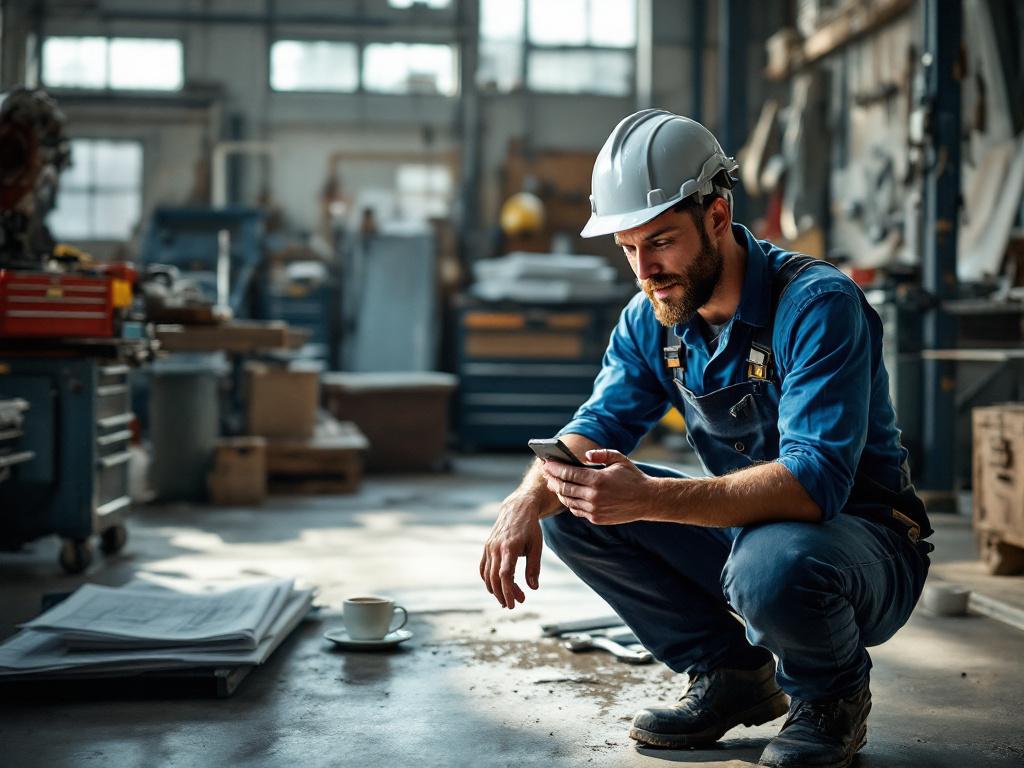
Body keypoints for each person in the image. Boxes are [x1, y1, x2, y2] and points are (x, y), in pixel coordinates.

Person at [478, 109, 932, 768]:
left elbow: (815, 484)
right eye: (628, 248)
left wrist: (650, 500)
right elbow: (595, 425)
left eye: (660, 242)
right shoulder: (652, 319)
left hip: (863, 544)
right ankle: (733, 674)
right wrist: (522, 501)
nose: (646, 269)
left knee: (770, 563)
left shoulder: (817, 305)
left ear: (717, 216)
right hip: (752, 533)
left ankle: (832, 697)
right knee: (571, 506)